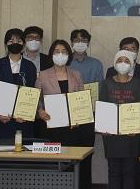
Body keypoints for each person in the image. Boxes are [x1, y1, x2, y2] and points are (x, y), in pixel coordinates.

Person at [36, 39, 89, 188]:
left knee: (70, 166)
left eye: (64, 52)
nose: (60, 54)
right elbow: (36, 100)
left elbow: (81, 100)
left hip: (72, 129)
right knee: (52, 166)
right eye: (57, 52)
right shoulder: (42, 75)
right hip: (50, 127)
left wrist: (79, 118)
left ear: (69, 55)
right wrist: (40, 112)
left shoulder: (76, 74)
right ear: (51, 55)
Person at [106, 37, 140, 189]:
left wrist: (136, 125)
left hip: (133, 131)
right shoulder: (108, 79)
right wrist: (105, 126)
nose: (124, 61)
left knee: (132, 169)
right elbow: (104, 105)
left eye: (132, 49)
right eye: (125, 50)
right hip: (112, 133)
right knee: (113, 171)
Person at [0, 28, 37, 145]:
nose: (15, 44)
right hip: (2, 124)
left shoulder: (30, 67)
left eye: (19, 41)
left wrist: (27, 114)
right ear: (6, 44)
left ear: (23, 44)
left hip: (24, 124)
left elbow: (33, 94)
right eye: (11, 41)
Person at [67, 28, 103, 188]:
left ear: (88, 43)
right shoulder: (65, 62)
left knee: (86, 154)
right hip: (67, 117)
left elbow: (99, 90)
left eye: (83, 40)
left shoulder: (96, 64)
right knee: (68, 154)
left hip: (88, 116)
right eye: (76, 40)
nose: (80, 43)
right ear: (71, 43)